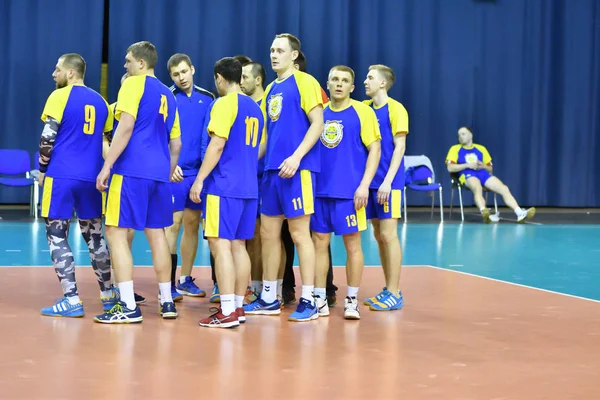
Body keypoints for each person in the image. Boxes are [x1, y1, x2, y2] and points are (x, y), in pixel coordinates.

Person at [94, 41, 182, 323]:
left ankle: (128, 305)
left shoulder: (133, 84)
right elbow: (176, 143)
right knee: (158, 235)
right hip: (158, 173)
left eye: (128, 60)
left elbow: (126, 126)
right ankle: (167, 301)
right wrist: (166, 171)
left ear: (141, 63)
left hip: (132, 170)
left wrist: (107, 165)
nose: (125, 65)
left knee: (116, 233)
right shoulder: (170, 96)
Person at [244, 33, 324, 322]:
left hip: (297, 170)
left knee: (301, 235)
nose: (274, 54)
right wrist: (248, 161)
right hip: (271, 172)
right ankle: (269, 297)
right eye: (271, 50)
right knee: (268, 234)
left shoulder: (306, 82)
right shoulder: (270, 92)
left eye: (280, 50)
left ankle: (311, 299)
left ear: (293, 55)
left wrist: (297, 157)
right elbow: (267, 135)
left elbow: (318, 123)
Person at [190, 57, 264, 328]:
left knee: (220, 245)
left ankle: (227, 310)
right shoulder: (255, 107)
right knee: (239, 246)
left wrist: (199, 180)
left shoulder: (223, 104)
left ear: (220, 78)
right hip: (248, 187)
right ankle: (239, 307)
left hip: (223, 185)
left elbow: (217, 144)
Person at [38, 53, 115, 317]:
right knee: (95, 236)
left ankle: (71, 299)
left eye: (57, 69)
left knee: (56, 234)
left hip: (61, 176)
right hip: (91, 179)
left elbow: (47, 139)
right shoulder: (102, 102)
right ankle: (108, 295)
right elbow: (107, 143)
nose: (53, 74)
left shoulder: (58, 97)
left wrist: (41, 169)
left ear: (71, 72)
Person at [312, 66, 381, 319]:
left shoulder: (362, 112)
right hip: (320, 191)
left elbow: (375, 150)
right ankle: (319, 297)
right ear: (327, 84)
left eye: (345, 81)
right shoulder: (319, 114)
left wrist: (364, 185)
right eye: (335, 80)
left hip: (349, 194)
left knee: (353, 246)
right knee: (320, 245)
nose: (339, 84)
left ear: (352, 87)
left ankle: (351, 299)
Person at [282, 50, 338, 307]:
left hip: (310, 172)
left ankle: (323, 290)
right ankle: (287, 288)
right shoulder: (280, 90)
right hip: (286, 171)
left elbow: (320, 129)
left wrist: (299, 157)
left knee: (317, 235)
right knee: (289, 234)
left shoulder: (311, 90)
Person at [165, 53, 215, 300]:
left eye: (184, 72)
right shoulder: (167, 98)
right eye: (176, 74)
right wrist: (169, 164)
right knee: (172, 226)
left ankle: (185, 279)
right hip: (174, 173)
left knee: (193, 225)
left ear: (192, 69)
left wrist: (204, 174)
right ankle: (168, 284)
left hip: (198, 174)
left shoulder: (208, 99)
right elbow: (158, 134)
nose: (181, 77)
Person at [363, 64, 406, 311]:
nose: (365, 81)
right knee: (379, 236)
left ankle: (395, 292)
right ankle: (387, 288)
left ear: (383, 83)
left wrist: (388, 181)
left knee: (389, 235)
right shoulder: (365, 108)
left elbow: (399, 147)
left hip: (389, 183)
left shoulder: (396, 109)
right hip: (370, 182)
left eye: (370, 78)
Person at [105, 72, 145, 305]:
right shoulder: (112, 110)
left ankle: (124, 288)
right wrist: (110, 163)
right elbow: (104, 140)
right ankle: (116, 289)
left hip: (132, 174)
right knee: (117, 232)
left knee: (127, 233)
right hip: (115, 174)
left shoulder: (141, 111)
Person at [446, 126, 536, 223]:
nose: (460, 137)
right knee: (477, 187)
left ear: (470, 135)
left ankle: (519, 213)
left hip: (482, 173)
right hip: (467, 174)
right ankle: (483, 211)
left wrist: (483, 166)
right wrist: (467, 165)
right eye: (459, 135)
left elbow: (490, 169)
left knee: (504, 188)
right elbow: (450, 168)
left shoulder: (481, 148)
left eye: (463, 134)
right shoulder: (455, 149)